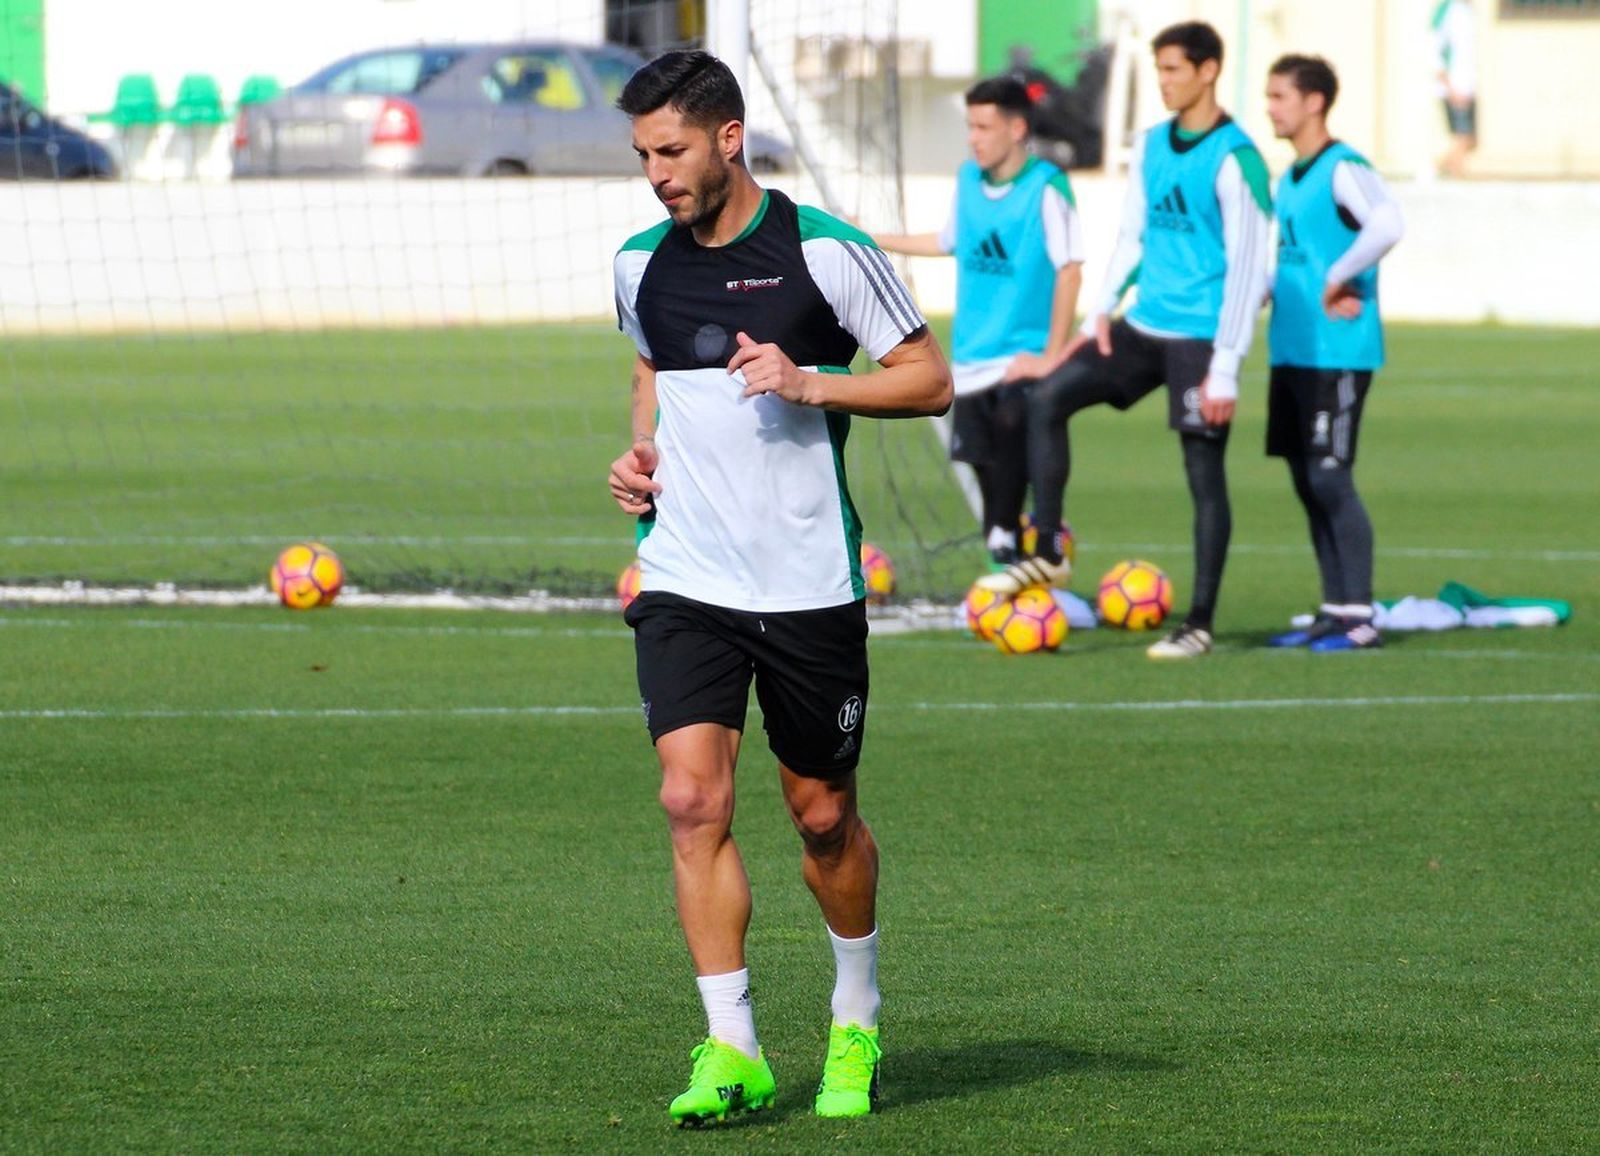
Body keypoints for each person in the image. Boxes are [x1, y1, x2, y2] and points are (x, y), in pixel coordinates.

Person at [606, 50, 952, 1126]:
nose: (656, 174)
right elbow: (650, 373)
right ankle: (733, 1045)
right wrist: (639, 461)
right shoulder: (635, 265)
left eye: (670, 150)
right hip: (685, 578)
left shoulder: (826, 253)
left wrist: (811, 381)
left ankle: (855, 1018)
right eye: (641, 156)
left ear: (726, 137)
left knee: (822, 816)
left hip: (806, 585)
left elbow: (929, 376)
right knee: (688, 799)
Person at [980, 21, 1271, 660]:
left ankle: (1197, 622)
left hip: (1200, 339)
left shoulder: (1236, 157)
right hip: (1141, 325)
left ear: (1208, 71)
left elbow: (1251, 268)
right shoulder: (1151, 144)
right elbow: (1133, 235)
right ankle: (1050, 551)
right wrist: (1103, 310)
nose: (1163, 81)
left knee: (1203, 475)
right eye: (1159, 69)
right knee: (1046, 398)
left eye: (1173, 70)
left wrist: (1226, 367)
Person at [871, 75, 1085, 572]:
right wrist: (873, 239)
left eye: (983, 126)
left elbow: (1071, 269)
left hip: (1020, 360)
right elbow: (949, 240)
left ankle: (1032, 549)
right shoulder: (969, 179)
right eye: (971, 126)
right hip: (969, 359)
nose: (973, 137)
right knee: (987, 475)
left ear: (1016, 128)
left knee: (1015, 442)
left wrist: (1052, 356)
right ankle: (1008, 571)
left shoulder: (1046, 186)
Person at [1263, 55, 1405, 651]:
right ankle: (1334, 605)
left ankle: (1360, 614)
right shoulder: (1289, 179)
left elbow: (1389, 223)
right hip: (1294, 351)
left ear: (1314, 101)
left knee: (1330, 477)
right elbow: (1289, 260)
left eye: (1279, 96)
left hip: (1337, 354)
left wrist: (1339, 276)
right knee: (1305, 478)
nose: (1270, 107)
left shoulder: (1343, 168)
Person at [1431, 0, 1478, 178]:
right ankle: (1455, 174)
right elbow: (1435, 50)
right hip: (1455, 86)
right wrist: (1450, 86)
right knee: (1462, 137)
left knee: (1470, 140)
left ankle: (1437, 168)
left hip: (1468, 85)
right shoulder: (1447, 11)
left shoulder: (1468, 10)